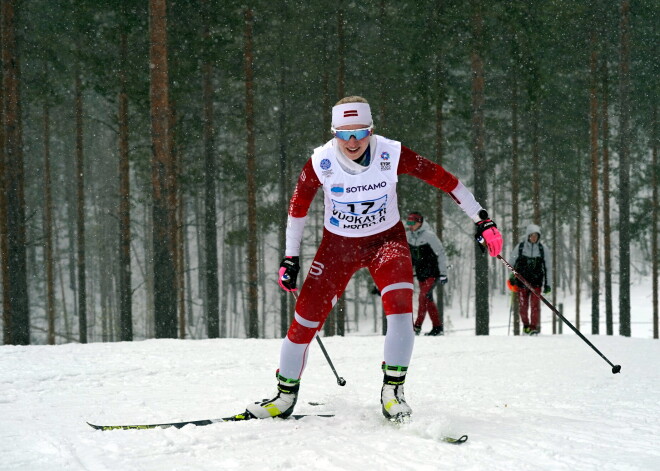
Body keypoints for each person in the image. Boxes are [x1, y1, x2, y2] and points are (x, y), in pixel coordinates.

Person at [246, 96, 503, 423]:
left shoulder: (391, 153)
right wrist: (290, 258)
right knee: (305, 318)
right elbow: (297, 210)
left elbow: (445, 180)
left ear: (371, 130)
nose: (352, 141)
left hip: (386, 242)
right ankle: (284, 396)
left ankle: (393, 392)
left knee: (400, 308)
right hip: (338, 247)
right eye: (343, 134)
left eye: (360, 132)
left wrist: (482, 219)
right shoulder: (320, 162)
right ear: (333, 132)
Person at [405, 211, 448, 336]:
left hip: (432, 273)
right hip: (421, 273)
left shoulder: (429, 236)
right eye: (408, 222)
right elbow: (410, 257)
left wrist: (443, 273)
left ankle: (416, 327)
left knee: (423, 297)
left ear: (419, 222)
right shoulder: (409, 236)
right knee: (428, 301)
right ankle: (437, 328)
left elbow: (441, 253)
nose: (409, 225)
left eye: (412, 222)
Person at [508, 224, 552, 335]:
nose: (534, 238)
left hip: (536, 283)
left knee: (535, 306)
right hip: (522, 282)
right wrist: (511, 278)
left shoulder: (543, 249)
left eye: (536, 236)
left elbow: (548, 268)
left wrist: (548, 284)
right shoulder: (520, 247)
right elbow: (511, 263)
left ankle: (533, 328)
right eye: (532, 235)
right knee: (523, 306)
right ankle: (526, 326)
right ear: (528, 236)